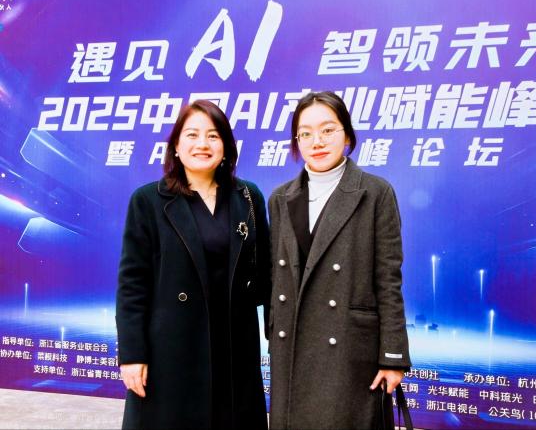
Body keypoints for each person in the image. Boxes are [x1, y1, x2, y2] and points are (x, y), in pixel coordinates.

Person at [116, 99, 270, 429]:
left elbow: (267, 271)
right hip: (171, 346)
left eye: (213, 136)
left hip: (234, 345)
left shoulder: (248, 197)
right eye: (192, 135)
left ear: (226, 148)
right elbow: (132, 285)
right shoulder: (148, 201)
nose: (203, 144)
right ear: (175, 145)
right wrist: (132, 354)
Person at [267, 91, 411, 429]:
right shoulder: (280, 198)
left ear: (347, 135)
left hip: (349, 347)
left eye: (328, 130)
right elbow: (277, 276)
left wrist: (393, 357)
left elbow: (388, 279)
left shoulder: (375, 193)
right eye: (305, 133)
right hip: (292, 345)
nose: (317, 141)